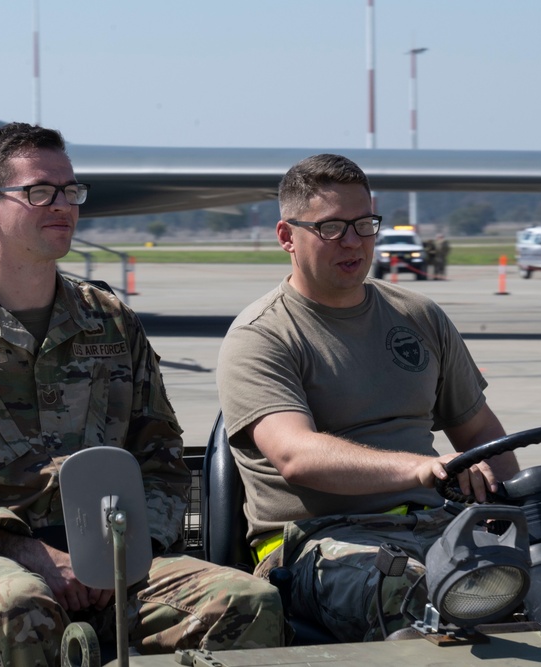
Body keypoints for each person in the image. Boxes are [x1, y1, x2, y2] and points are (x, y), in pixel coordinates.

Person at [0, 122, 285, 667]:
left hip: (114, 560)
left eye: (70, 191)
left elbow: (162, 457)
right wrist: (24, 549)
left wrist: (126, 554)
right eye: (40, 192)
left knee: (247, 602)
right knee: (19, 604)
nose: (62, 205)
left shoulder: (110, 323)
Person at [215, 153, 518, 643]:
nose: (353, 241)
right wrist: (422, 468)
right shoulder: (262, 335)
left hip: (433, 525)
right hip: (314, 542)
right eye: (331, 227)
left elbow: (479, 430)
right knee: (416, 592)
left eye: (363, 224)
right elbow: (296, 454)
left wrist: (518, 509)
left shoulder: (418, 316)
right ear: (287, 236)